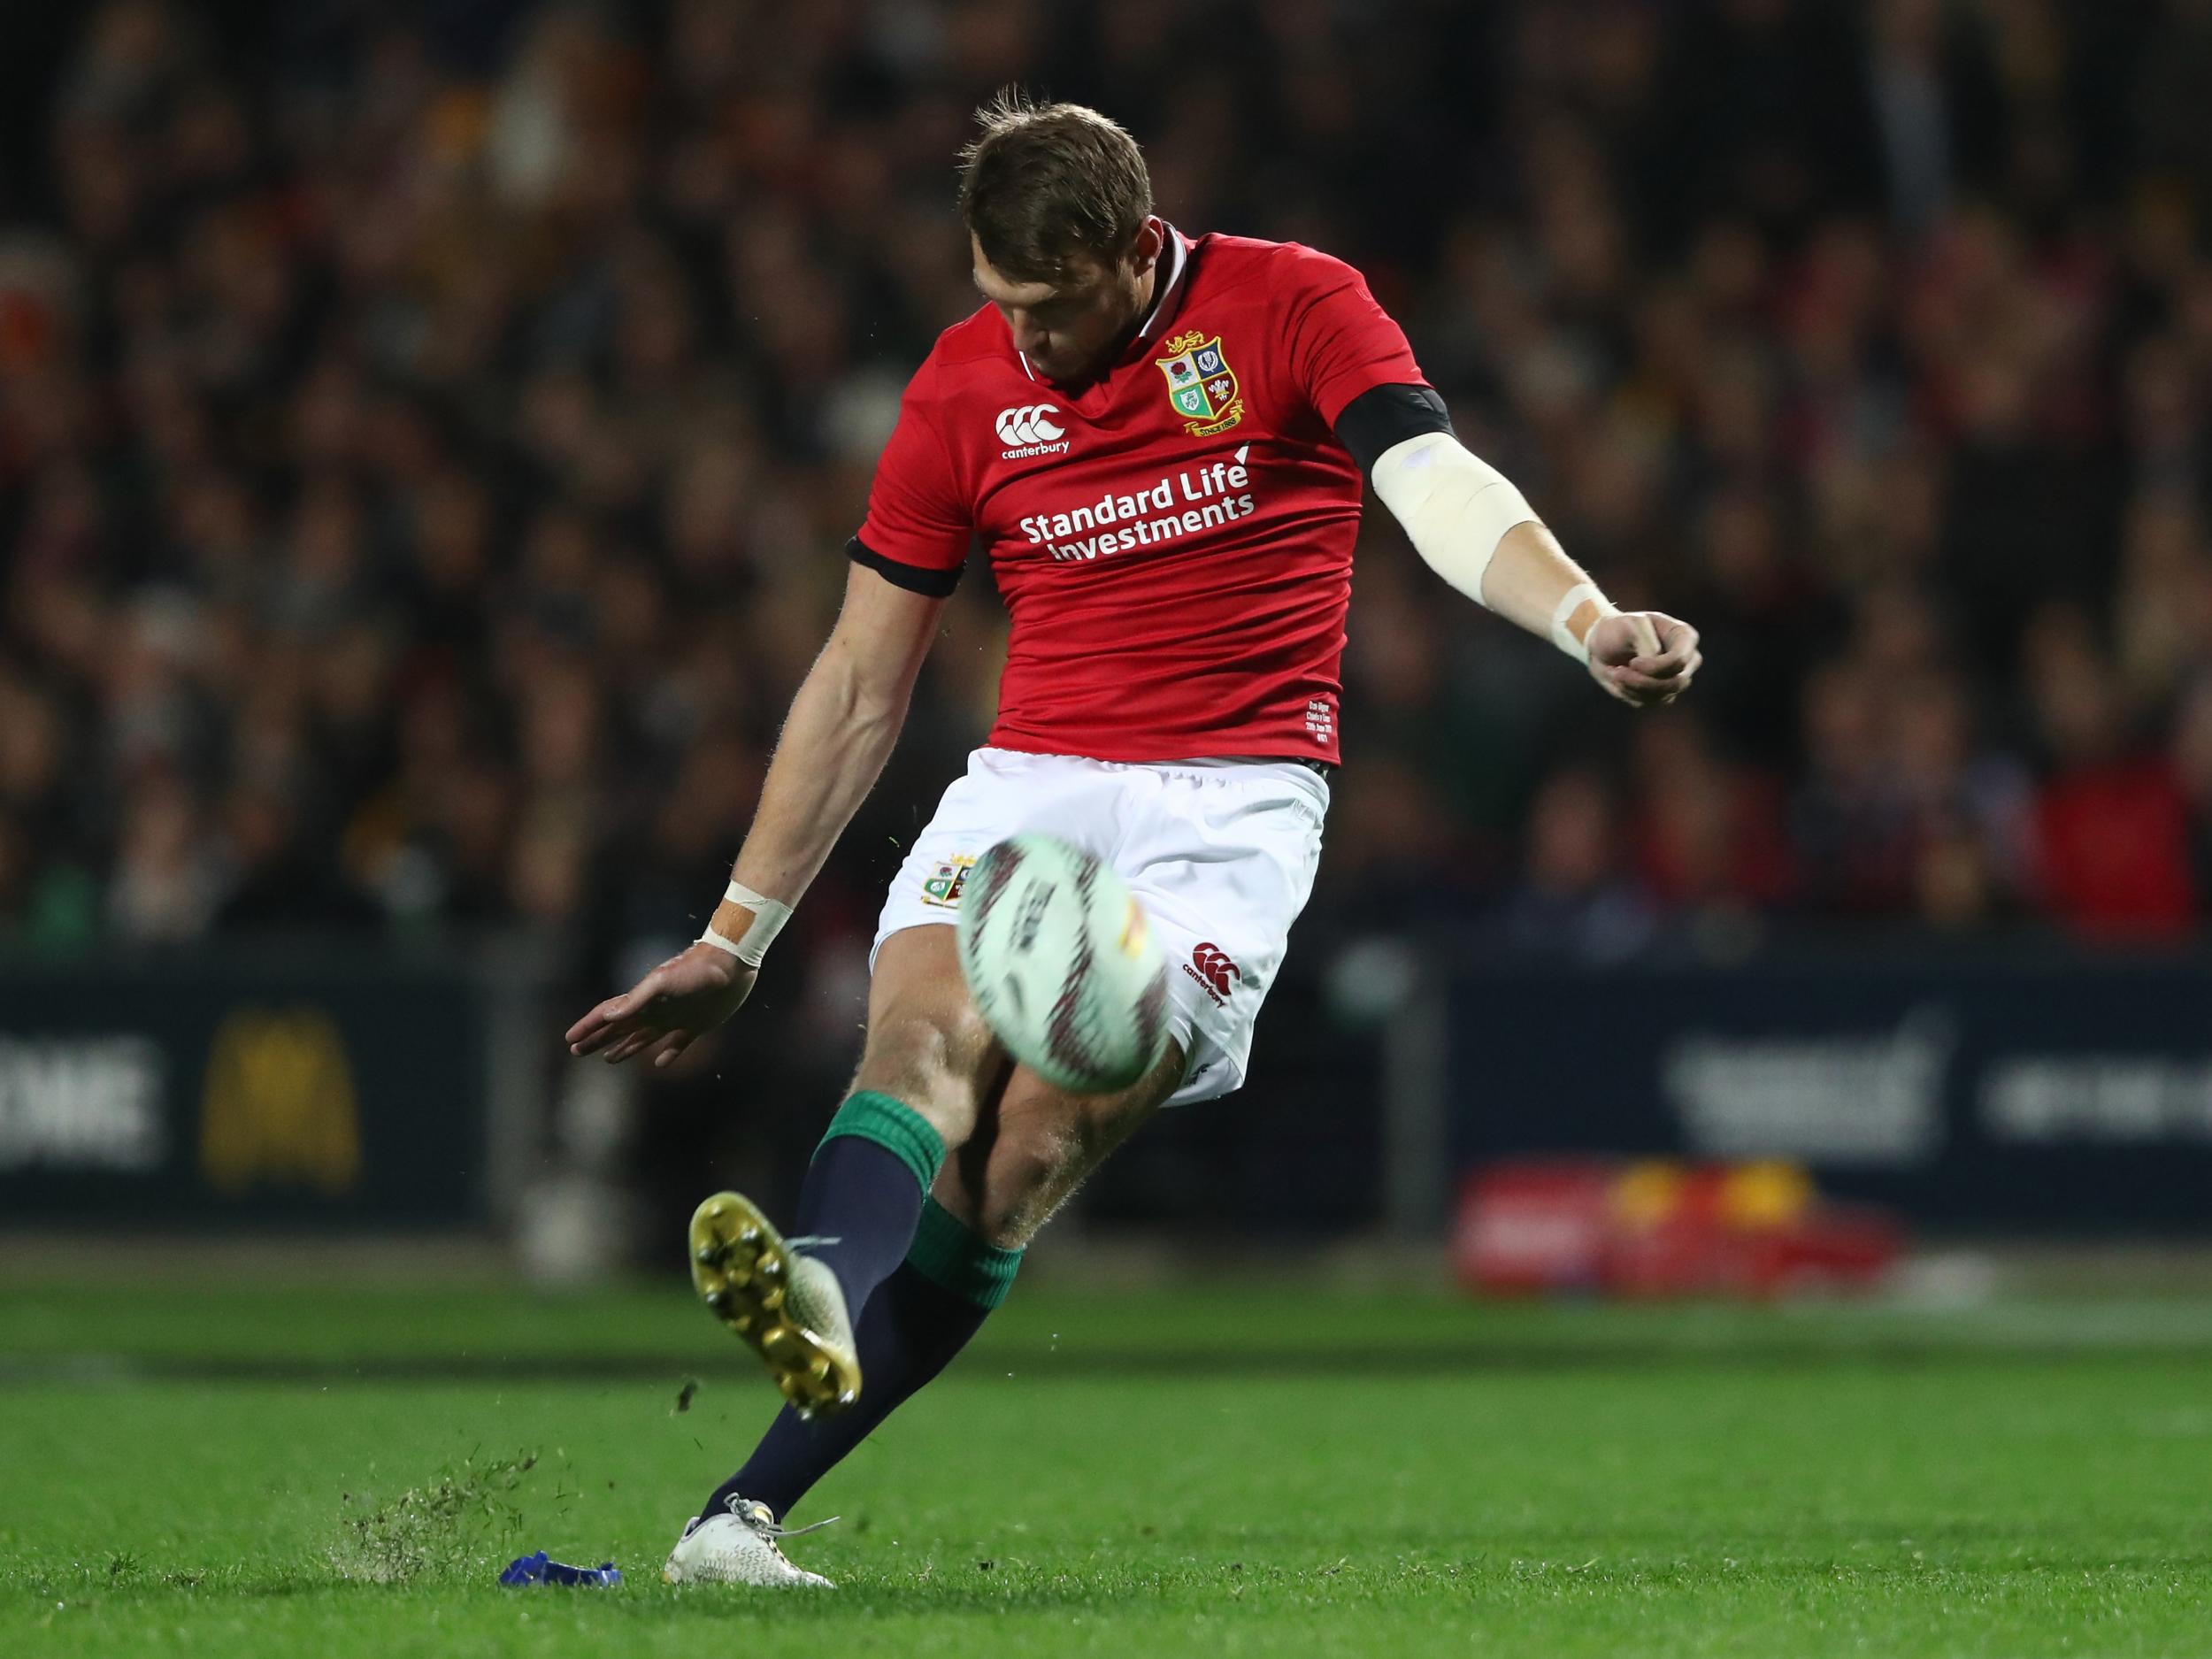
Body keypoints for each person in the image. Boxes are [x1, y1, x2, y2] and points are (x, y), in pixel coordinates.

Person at [565, 95, 1701, 1587]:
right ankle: (811, 1326)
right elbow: (857, 678)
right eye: (997, 305)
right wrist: (735, 938)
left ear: (1125, 246)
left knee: (1020, 1153)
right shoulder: (965, 387)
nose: (1021, 339)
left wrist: (1584, 617)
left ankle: (742, 1499)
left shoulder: (1294, 304)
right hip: (1037, 781)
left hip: (1226, 816)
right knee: (920, 1045)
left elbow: (1430, 484)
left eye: (1046, 307)